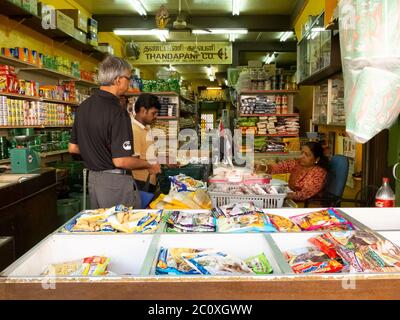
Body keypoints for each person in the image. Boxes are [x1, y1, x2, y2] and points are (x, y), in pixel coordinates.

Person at [68, 55, 161, 209]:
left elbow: (73, 148)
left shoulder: (84, 107)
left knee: (104, 227)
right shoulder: (117, 112)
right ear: (118, 80)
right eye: (128, 78)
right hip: (115, 184)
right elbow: (121, 161)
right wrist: (149, 163)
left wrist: (96, 155)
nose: (129, 83)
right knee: (124, 227)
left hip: (94, 181)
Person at [263, 142, 329, 201]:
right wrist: (264, 168)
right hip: (291, 200)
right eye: (302, 153)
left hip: (308, 205)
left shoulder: (319, 173)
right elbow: (280, 167)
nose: (302, 156)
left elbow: (305, 194)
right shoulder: (297, 164)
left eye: (307, 155)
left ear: (316, 159)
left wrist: (281, 195)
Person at [132, 93, 161, 193]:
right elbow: (132, 161)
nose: (156, 117)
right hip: (140, 183)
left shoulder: (146, 128)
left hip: (149, 181)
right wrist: (151, 165)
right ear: (143, 110)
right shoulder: (134, 130)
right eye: (153, 113)